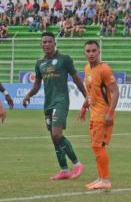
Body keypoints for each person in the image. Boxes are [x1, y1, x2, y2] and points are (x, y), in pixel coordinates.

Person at [22, 32, 87, 180]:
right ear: (41, 44)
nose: (46, 44)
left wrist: (86, 96)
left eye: (49, 42)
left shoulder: (64, 59)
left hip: (61, 101)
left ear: (54, 43)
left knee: (57, 134)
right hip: (48, 103)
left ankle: (77, 164)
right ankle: (64, 170)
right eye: (44, 42)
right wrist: (28, 95)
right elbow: (37, 85)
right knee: (53, 137)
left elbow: (76, 79)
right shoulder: (39, 63)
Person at [77, 40, 119, 190]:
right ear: (84, 53)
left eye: (94, 50)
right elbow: (91, 93)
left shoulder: (104, 69)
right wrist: (84, 106)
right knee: (96, 147)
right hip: (94, 114)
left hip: (103, 115)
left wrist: (110, 113)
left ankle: (105, 180)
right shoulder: (87, 68)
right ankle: (101, 177)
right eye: (88, 51)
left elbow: (115, 92)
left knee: (97, 146)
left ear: (99, 52)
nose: (91, 54)